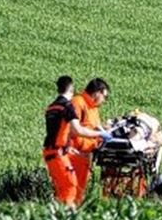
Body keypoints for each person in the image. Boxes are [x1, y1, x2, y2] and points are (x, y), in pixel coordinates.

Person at [68, 78, 111, 205]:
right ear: (98, 92)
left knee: (79, 194)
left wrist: (106, 129)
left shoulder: (93, 108)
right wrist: (99, 133)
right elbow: (74, 130)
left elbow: (94, 126)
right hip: (73, 154)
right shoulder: (77, 102)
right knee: (70, 192)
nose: (104, 101)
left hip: (85, 156)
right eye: (105, 96)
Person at [43, 76, 80, 205]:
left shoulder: (51, 107)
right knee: (70, 185)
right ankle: (69, 219)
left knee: (60, 189)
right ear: (72, 89)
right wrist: (100, 133)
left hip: (49, 152)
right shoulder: (67, 106)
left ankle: (57, 218)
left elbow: (58, 130)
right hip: (58, 152)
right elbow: (77, 130)